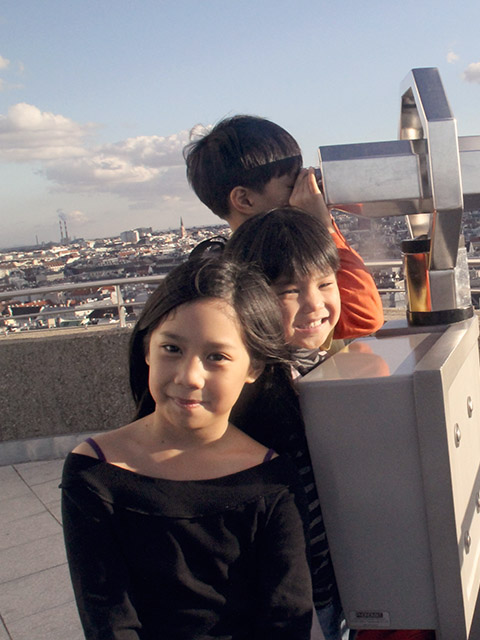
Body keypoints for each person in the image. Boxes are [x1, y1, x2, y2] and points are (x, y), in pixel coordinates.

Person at [61, 258, 313, 640]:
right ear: (147, 348)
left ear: (254, 368)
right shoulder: (96, 470)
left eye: (217, 357)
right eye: (172, 348)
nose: (189, 376)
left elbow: (286, 618)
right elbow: (110, 621)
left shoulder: (270, 479)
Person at [224, 208, 434, 640]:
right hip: (296, 585)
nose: (315, 304)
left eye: (324, 284)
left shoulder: (322, 364)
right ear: (250, 300)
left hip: (339, 568)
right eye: (289, 291)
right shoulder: (252, 387)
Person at [183, 114, 383, 342]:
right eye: (292, 184)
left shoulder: (229, 260)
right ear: (245, 200)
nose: (305, 189)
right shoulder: (247, 274)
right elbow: (362, 317)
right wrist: (322, 226)